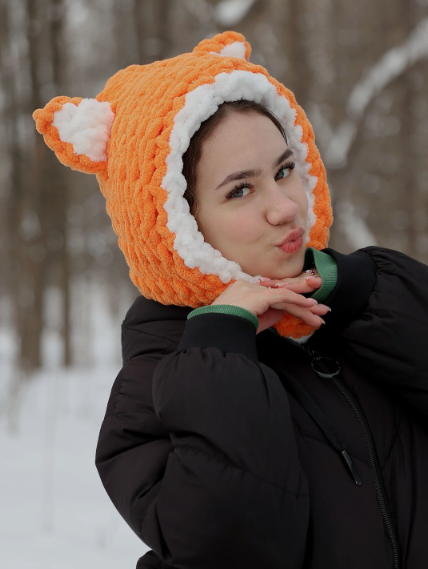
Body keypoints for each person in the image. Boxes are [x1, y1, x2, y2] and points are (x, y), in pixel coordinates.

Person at [33, 31, 428, 569]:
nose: (286, 208)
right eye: (241, 189)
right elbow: (231, 542)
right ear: (175, 225)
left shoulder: (358, 309)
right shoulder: (155, 385)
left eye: (285, 170)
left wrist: (366, 293)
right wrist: (222, 349)